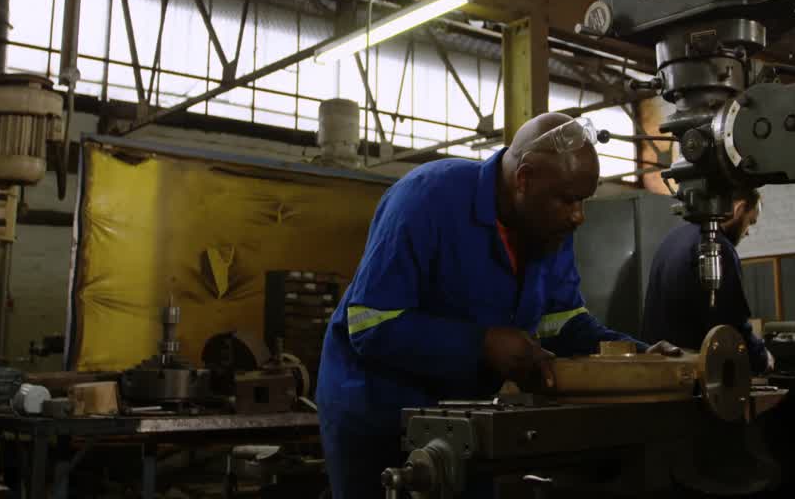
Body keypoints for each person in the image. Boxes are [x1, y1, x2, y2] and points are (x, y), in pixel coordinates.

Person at [316, 112, 679, 498]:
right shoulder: (426, 198)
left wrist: (641, 359)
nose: (579, 216)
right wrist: (482, 345)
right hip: (375, 414)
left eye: (583, 201)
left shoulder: (549, 230)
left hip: (465, 418)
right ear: (523, 179)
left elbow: (565, 325)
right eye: (569, 201)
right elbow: (370, 325)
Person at [640, 187, 771, 375]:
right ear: (739, 209)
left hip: (660, 371)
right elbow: (730, 324)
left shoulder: (671, 239)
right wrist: (761, 358)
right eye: (750, 221)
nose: (747, 232)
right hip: (695, 376)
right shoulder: (718, 247)